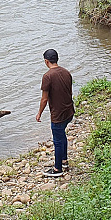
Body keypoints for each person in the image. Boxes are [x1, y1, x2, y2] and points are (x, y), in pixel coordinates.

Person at [36, 49, 75, 178]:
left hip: (57, 114)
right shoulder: (66, 72)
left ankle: (58, 169)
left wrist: (39, 113)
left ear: (46, 61)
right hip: (69, 111)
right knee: (62, 135)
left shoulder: (47, 76)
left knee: (57, 140)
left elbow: (44, 99)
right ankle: (64, 161)